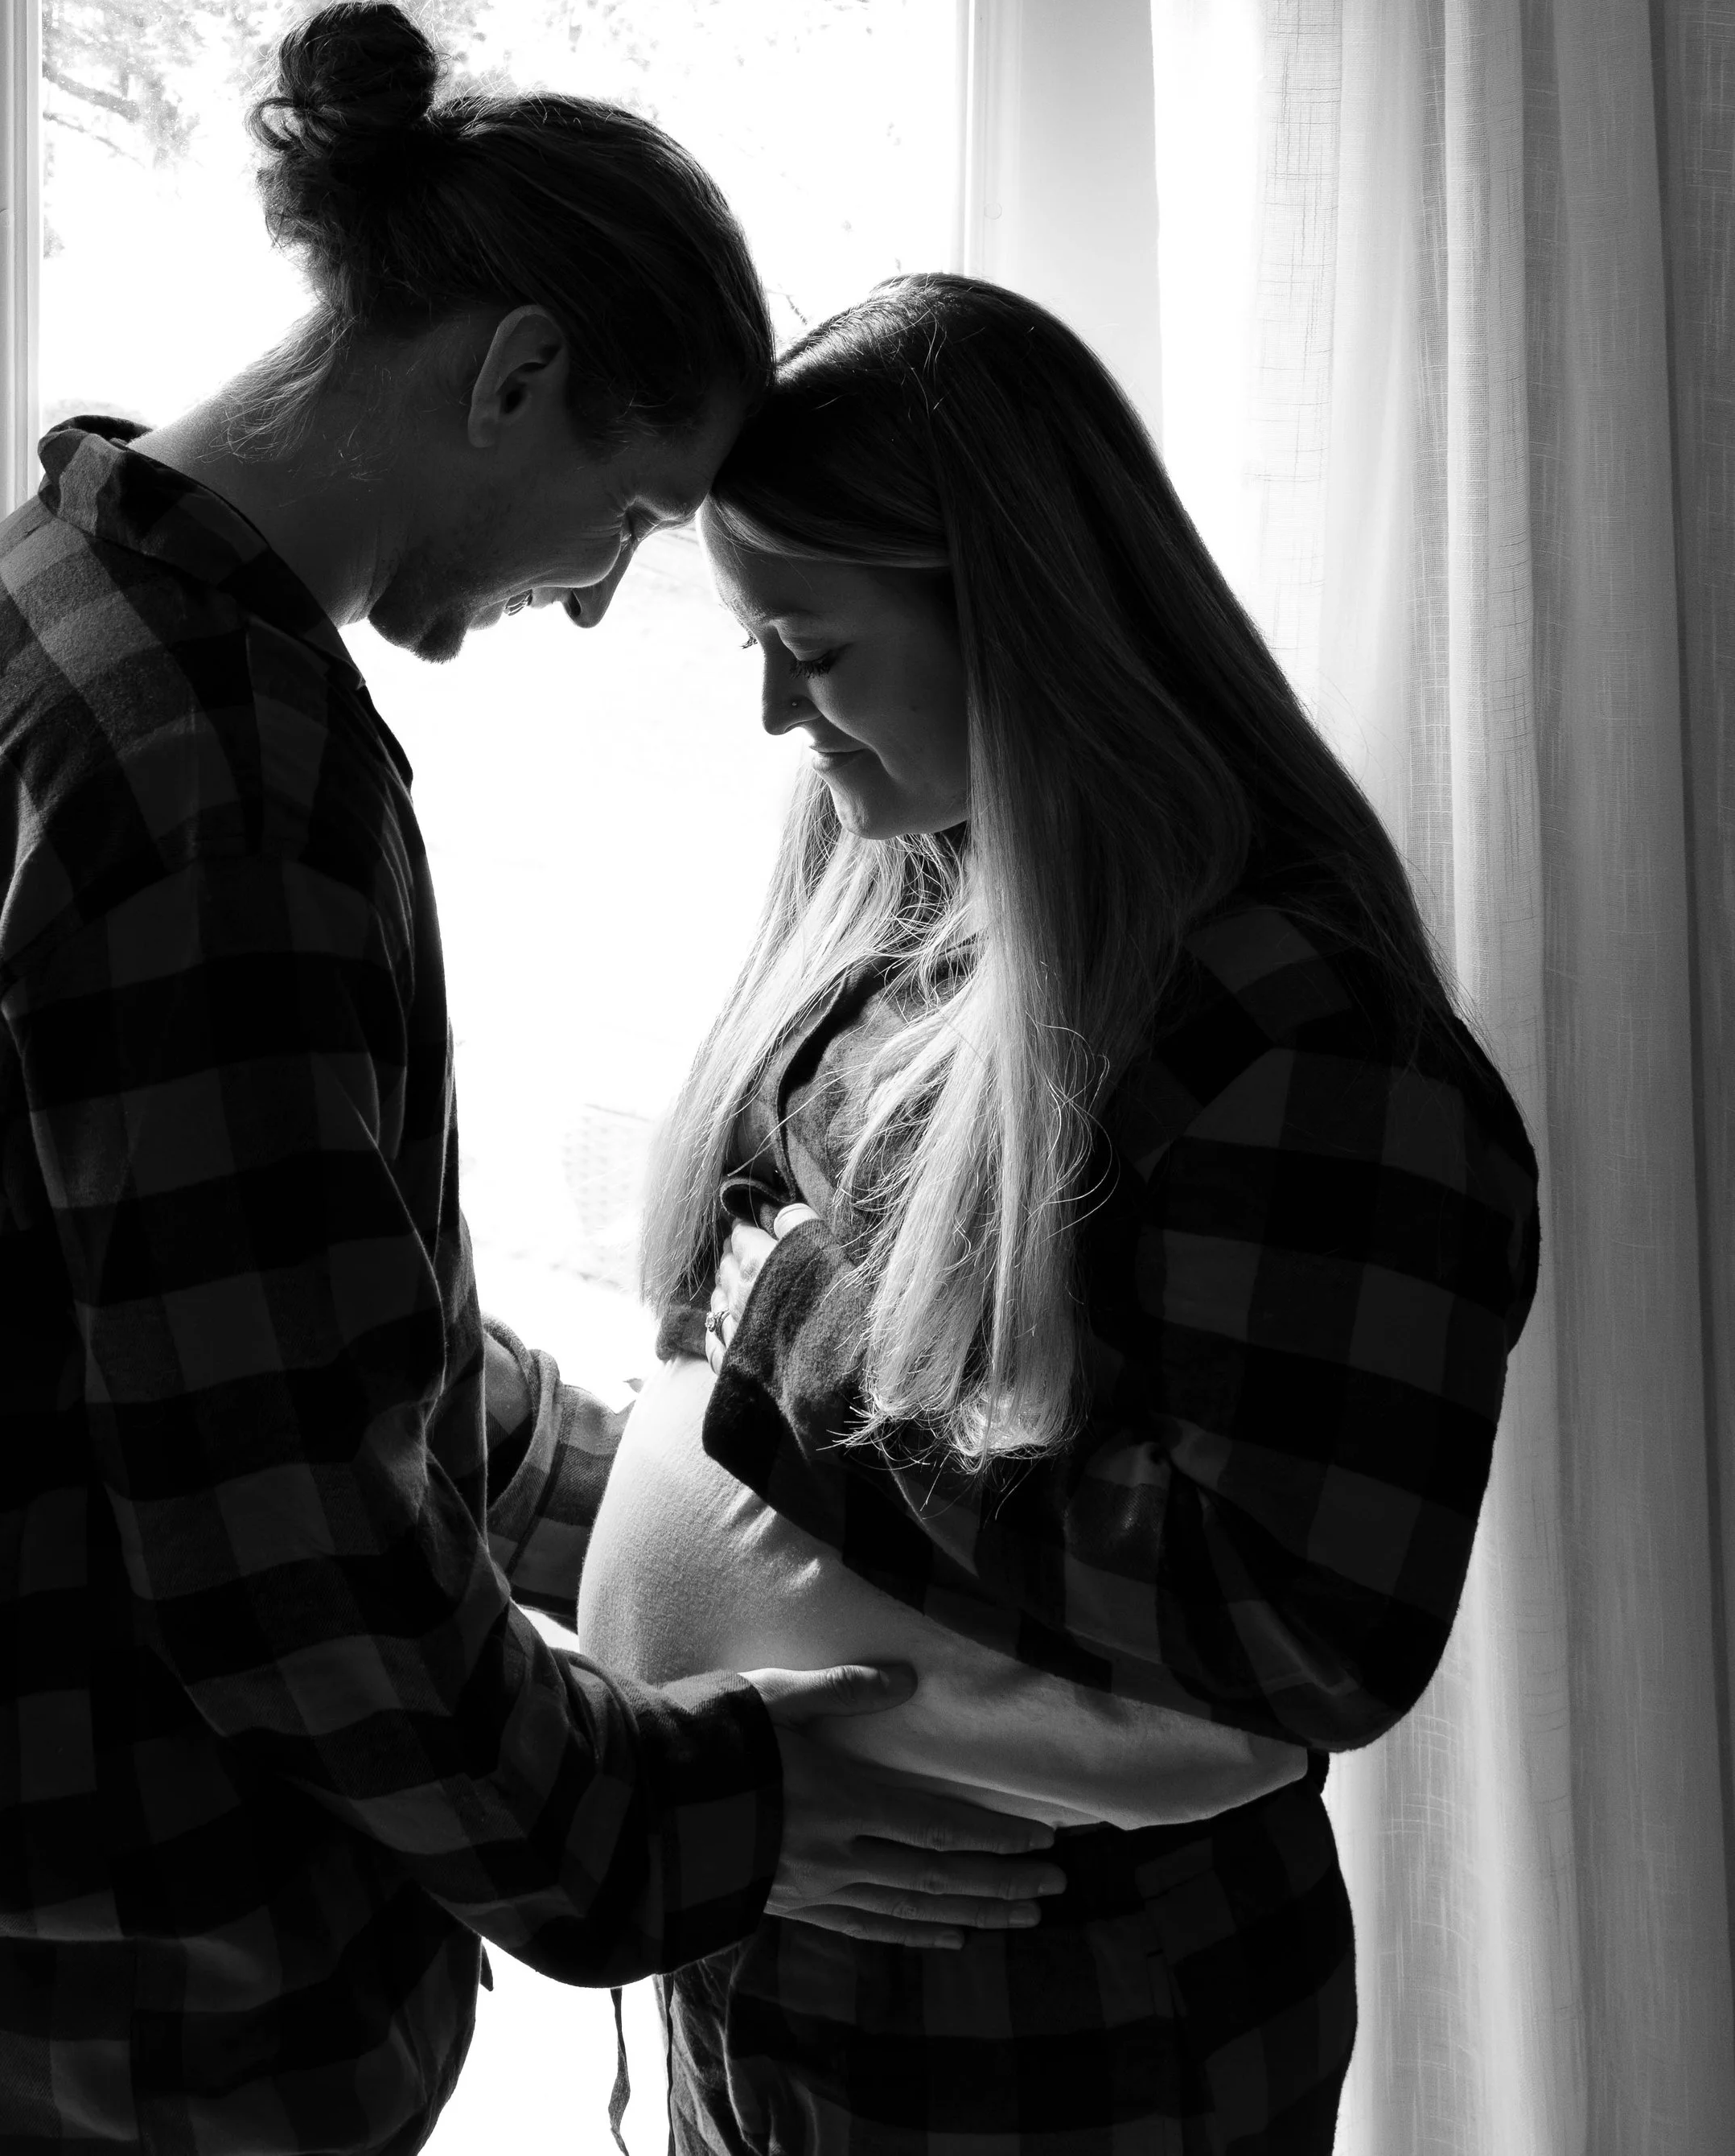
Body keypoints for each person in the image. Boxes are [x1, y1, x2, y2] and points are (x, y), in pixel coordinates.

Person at [0, 9, 1067, 2156]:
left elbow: (236, 1346)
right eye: (627, 516)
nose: (593, 602)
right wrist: (718, 1810)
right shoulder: (213, 784)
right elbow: (291, 1572)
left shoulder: (34, 600)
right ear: (515, 370)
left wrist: (616, 1489)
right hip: (134, 2042)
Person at [579, 274, 1542, 2153]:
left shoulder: (1303, 1044)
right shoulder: (902, 887)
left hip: (1052, 1997)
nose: (777, 706)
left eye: (815, 644)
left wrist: (796, 1340)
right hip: (772, 1937)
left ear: (1010, 623)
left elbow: (1301, 1620)